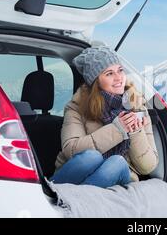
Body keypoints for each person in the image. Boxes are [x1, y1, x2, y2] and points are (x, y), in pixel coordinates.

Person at [51, 46, 158, 188]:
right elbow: (71, 150)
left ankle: (75, 201)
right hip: (75, 174)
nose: (119, 78)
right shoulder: (76, 108)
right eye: (109, 73)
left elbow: (148, 167)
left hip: (116, 173)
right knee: (91, 157)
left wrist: (135, 132)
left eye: (120, 70)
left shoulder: (137, 107)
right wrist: (117, 130)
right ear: (96, 81)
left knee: (117, 163)